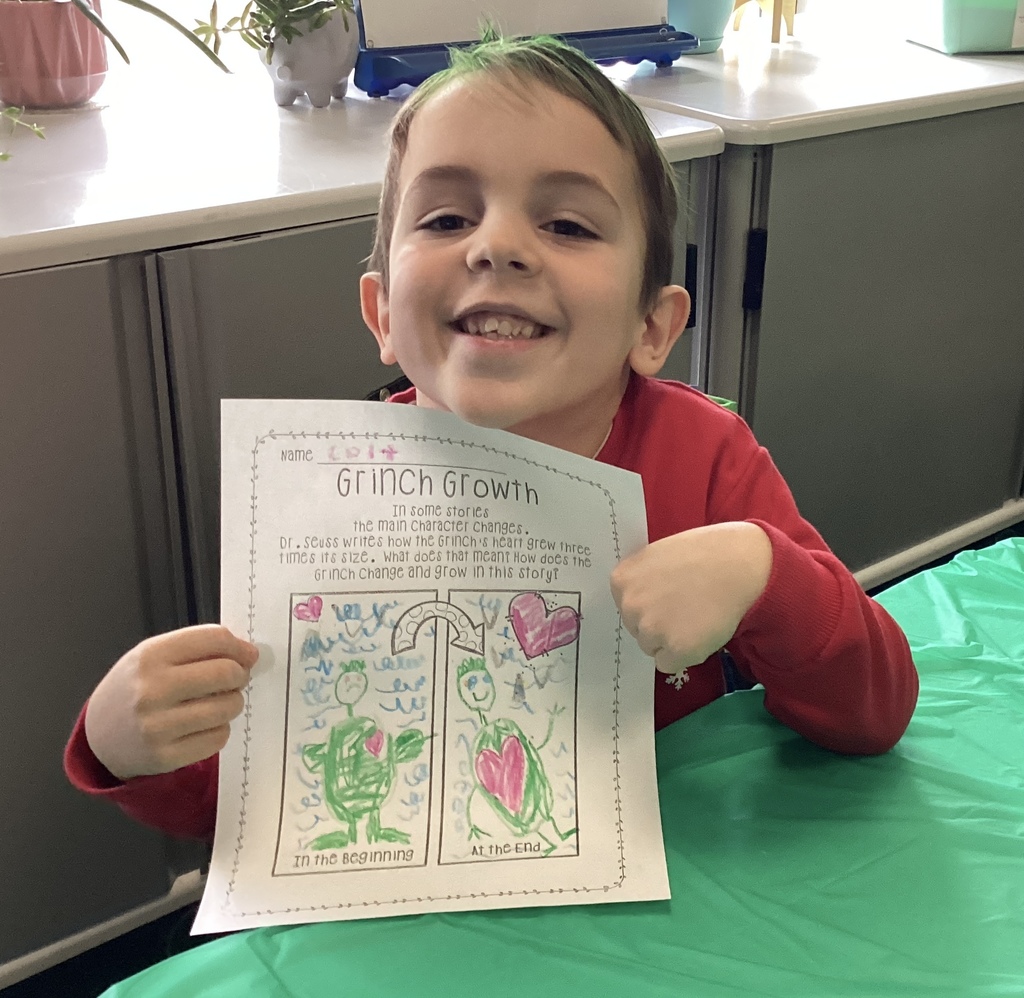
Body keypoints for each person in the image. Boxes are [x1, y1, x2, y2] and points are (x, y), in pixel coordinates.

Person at [65, 35, 918, 841]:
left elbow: (873, 711)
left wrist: (764, 576)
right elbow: (260, 803)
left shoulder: (706, 459)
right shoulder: (326, 497)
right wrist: (126, 746)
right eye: (445, 219)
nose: (498, 246)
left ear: (652, 327)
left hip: (670, 894)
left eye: (569, 225)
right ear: (382, 315)